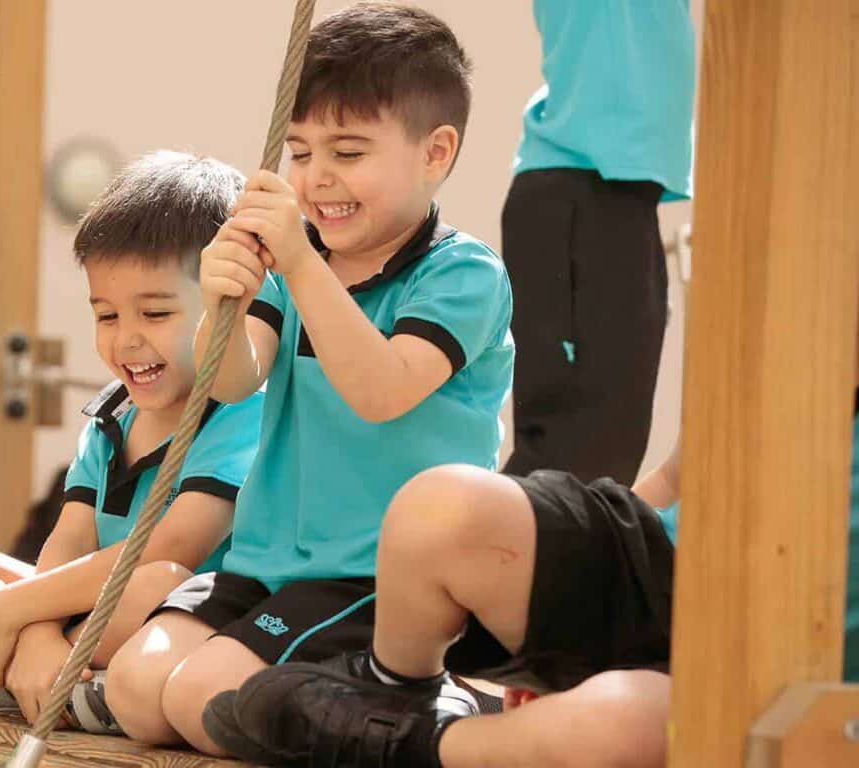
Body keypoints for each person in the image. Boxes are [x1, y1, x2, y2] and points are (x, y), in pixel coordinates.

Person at [103, 4, 514, 755]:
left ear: (436, 152)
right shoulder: (294, 263)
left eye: (348, 153)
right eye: (300, 152)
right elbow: (232, 379)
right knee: (136, 690)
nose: (317, 179)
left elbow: (381, 389)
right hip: (266, 562)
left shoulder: (462, 275)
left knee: (204, 698)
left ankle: (434, 716)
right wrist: (219, 304)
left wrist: (296, 262)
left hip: (375, 578)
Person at [202, 402, 859, 767]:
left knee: (617, 736)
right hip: (665, 564)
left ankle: (414, 743)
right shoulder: (795, 313)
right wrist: (561, 600)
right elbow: (679, 477)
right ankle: (398, 686)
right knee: (440, 508)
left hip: (766, 656)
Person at [0, 151, 265, 733]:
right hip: (82, 608)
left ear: (227, 306)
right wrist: (41, 632)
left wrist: (12, 609)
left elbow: (166, 551)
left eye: (155, 313)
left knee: (160, 580)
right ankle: (43, 673)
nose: (127, 341)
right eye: (106, 316)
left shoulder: (241, 408)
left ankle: (29, 670)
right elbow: (67, 540)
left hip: (179, 621)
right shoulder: (112, 416)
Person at [501, 0, 696, 483]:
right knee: (573, 453)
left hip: (622, 196)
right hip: (580, 188)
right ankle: (471, 552)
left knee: (608, 453)